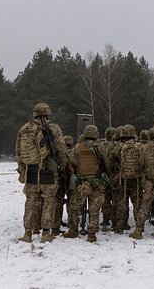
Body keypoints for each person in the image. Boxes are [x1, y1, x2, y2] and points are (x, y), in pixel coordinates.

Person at [15, 103, 72, 243]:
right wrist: (63, 165)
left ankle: (27, 233)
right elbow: (61, 149)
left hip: (31, 171)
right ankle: (46, 232)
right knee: (49, 201)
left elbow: (18, 152)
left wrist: (23, 169)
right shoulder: (53, 128)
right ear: (48, 113)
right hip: (48, 171)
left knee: (30, 202)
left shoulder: (24, 129)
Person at [64, 125, 107, 243]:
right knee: (94, 210)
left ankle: (73, 230)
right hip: (96, 183)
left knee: (73, 207)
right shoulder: (101, 148)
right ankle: (92, 234)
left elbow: (71, 160)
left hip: (82, 183)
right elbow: (108, 162)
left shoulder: (78, 148)